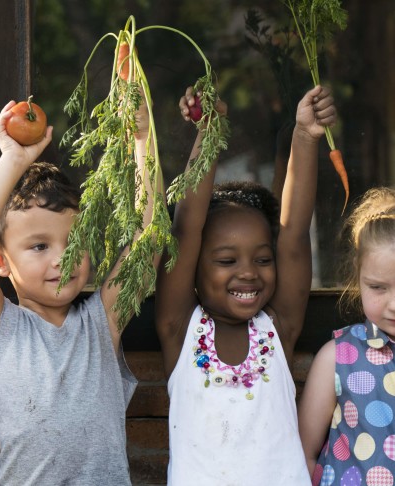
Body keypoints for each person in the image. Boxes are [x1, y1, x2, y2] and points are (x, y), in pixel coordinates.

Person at [0, 100, 157, 483]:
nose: (63, 259)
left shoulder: (102, 321)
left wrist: (143, 141)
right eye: (39, 246)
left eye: (74, 240)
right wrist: (13, 160)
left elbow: (147, 243)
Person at [154, 86, 336, 484]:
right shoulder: (180, 330)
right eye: (226, 260)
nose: (248, 272)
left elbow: (292, 235)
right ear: (195, 269)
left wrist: (305, 137)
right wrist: (209, 133)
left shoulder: (278, 328)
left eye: (262, 259)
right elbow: (186, 229)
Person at [299, 187, 395, 483]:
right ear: (358, 276)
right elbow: (302, 452)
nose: (393, 305)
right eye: (377, 287)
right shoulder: (338, 357)